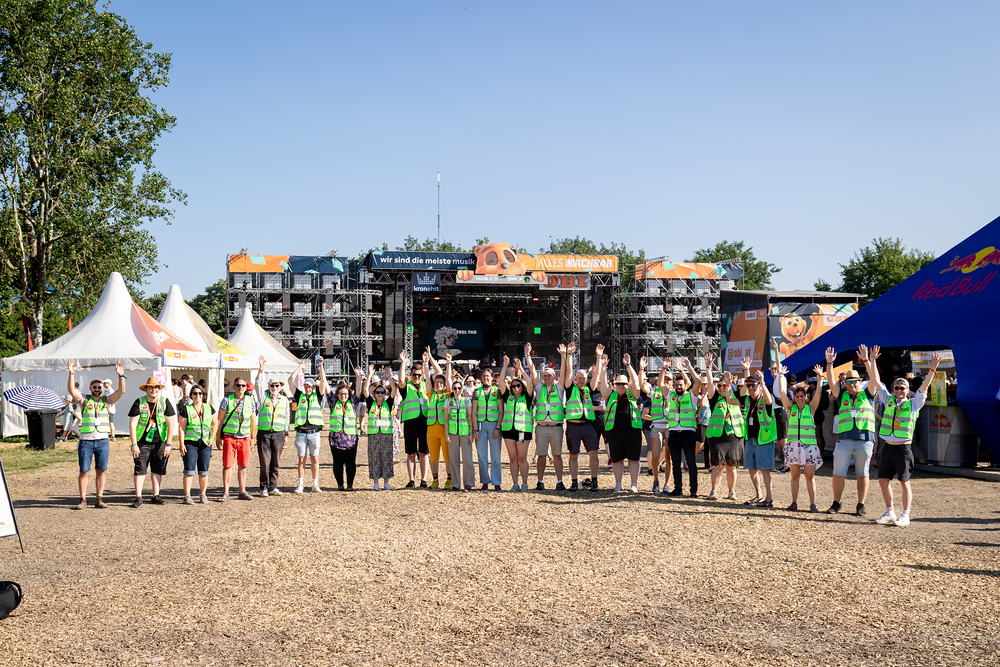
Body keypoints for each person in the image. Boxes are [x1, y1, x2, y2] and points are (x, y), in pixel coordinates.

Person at [864, 347, 939, 527]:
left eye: (902, 387)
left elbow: (924, 388)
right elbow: (876, 380)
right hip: (888, 447)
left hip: (903, 449)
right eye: (896, 387)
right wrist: (871, 361)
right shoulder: (888, 399)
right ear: (893, 389)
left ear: (907, 390)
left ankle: (905, 515)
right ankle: (890, 512)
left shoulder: (914, 403)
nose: (899, 390)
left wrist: (932, 370)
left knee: (904, 482)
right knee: (883, 481)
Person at [824, 346, 879, 517]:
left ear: (860, 382)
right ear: (845, 384)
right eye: (848, 382)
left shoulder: (868, 394)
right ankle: (836, 502)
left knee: (863, 474)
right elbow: (831, 381)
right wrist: (829, 364)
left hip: (865, 440)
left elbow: (875, 379)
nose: (852, 384)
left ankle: (861, 504)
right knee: (838, 473)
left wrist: (868, 360)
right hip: (844, 440)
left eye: (855, 381)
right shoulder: (841, 395)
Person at [771, 340, 825, 512]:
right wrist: (780, 374)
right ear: (795, 397)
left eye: (802, 396)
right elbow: (781, 392)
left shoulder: (811, 408)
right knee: (794, 476)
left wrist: (820, 378)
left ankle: (812, 504)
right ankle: (794, 502)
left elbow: (818, 392)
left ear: (805, 397)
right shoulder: (790, 408)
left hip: (809, 447)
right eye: (797, 396)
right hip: (794, 446)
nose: (800, 398)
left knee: (809, 477)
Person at [66, 360, 125, 509]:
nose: (97, 389)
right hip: (86, 441)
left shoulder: (107, 400)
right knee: (84, 471)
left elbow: (121, 392)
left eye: (99, 387)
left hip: (102, 441)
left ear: (102, 389)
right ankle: (82, 500)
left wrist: (120, 376)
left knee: (101, 471)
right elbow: (72, 390)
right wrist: (71, 373)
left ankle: (99, 499)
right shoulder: (84, 400)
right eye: (95, 387)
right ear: (90, 388)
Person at [597, 349, 643, 492]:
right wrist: (603, 367)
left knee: (634, 459)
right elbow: (602, 384)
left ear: (627, 385)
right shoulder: (610, 395)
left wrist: (628, 366)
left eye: (623, 384)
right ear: (615, 385)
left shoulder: (633, 394)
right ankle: (618, 483)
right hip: (614, 432)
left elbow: (636, 383)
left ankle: (634, 484)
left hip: (633, 432)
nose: (621, 386)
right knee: (617, 459)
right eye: (618, 384)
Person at [127, 376, 177, 508]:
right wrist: (134, 444)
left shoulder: (165, 402)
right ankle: (138, 497)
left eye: (155, 387)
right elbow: (132, 425)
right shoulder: (139, 402)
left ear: (159, 389)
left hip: (160, 442)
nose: (153, 390)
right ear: (146, 389)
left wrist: (168, 444)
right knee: (140, 469)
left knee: (158, 469)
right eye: (150, 387)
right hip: (142, 443)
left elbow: (171, 425)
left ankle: (156, 495)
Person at [526, 342, 567, 490]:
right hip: (541, 427)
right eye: (544, 375)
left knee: (557, 455)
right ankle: (540, 481)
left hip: (556, 427)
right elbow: (532, 371)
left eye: (549, 375)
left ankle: (559, 481)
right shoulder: (539, 387)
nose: (546, 377)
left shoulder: (559, 387)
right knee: (541, 455)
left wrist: (563, 356)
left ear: (554, 377)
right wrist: (527, 355)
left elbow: (564, 373)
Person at [562, 343, 602, 492]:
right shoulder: (570, 388)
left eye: (584, 378)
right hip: (573, 426)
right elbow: (568, 372)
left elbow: (597, 375)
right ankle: (574, 482)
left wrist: (598, 357)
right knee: (573, 455)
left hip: (587, 426)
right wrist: (569, 355)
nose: (581, 380)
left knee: (593, 453)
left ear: (586, 379)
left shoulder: (589, 389)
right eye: (579, 378)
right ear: (576, 379)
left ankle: (594, 481)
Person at [738, 354, 777, 507]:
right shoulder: (747, 399)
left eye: (754, 385)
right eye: (749, 386)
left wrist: (762, 382)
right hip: (751, 439)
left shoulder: (763, 397)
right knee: (751, 469)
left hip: (764, 439)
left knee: (765, 470)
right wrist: (746, 370)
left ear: (759, 386)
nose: (751, 388)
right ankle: (758, 495)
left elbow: (769, 400)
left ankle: (769, 498)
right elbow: (734, 397)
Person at [321, 366, 365, 491]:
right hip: (336, 440)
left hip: (351, 440)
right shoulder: (333, 402)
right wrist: (321, 367)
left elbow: (358, 390)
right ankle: (340, 484)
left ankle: (350, 484)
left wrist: (358, 375)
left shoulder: (353, 402)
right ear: (337, 394)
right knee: (337, 463)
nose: (343, 395)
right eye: (341, 393)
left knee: (351, 463)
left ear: (349, 394)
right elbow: (326, 386)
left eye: (345, 393)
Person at [666, 356, 705, 497]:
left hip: (688, 433)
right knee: (675, 463)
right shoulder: (672, 396)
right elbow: (660, 385)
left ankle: (693, 490)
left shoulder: (692, 396)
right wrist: (664, 368)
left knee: (691, 462)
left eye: (681, 385)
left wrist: (687, 368)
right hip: (673, 433)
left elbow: (698, 382)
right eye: (676, 385)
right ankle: (678, 488)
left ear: (685, 385)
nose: (678, 386)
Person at [704, 368, 744, 501]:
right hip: (718, 436)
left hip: (734, 436)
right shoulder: (714, 398)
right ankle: (714, 491)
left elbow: (745, 389)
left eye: (725, 385)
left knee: (732, 466)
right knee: (719, 465)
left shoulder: (735, 396)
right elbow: (710, 384)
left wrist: (746, 370)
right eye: (720, 385)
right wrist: (708, 368)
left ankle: (731, 492)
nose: (722, 387)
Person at [254, 355, 291, 497]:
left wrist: (286, 434)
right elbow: (258, 384)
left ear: (280, 387)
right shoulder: (263, 397)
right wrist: (261, 369)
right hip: (264, 432)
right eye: (272, 386)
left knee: (275, 462)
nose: (275, 388)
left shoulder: (284, 400)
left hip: (279, 433)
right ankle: (264, 486)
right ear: (269, 387)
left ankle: (273, 486)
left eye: (277, 385)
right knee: (264, 462)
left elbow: (286, 418)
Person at [216, 376, 256, 501]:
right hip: (230, 436)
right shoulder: (227, 400)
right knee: (228, 465)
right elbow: (220, 420)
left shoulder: (250, 400)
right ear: (233, 387)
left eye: (243, 385)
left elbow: (253, 421)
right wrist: (218, 437)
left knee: (243, 465)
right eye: (238, 385)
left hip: (244, 437)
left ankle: (242, 491)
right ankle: (226, 492)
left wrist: (253, 437)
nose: (240, 388)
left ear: (246, 387)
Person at [498, 354, 533, 491]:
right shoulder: (508, 397)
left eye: (518, 385)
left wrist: (521, 368)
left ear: (521, 386)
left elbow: (530, 383)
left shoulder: (527, 398)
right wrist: (505, 366)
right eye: (513, 386)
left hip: (523, 431)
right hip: (508, 431)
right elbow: (501, 382)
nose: (516, 387)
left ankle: (524, 483)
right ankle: (515, 484)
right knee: (512, 458)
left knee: (522, 458)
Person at [178, 382, 217, 504]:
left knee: (204, 471)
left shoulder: (209, 408)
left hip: (205, 444)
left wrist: (212, 438)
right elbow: (181, 428)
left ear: (203, 395)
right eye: (195, 393)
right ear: (191, 395)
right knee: (189, 470)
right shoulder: (186, 409)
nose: (197, 395)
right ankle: (187, 496)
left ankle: (203, 494)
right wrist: (181, 444)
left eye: (200, 393)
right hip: (191, 443)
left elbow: (215, 423)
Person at [397, 351, 430, 488]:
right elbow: (400, 381)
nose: (417, 377)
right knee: (411, 453)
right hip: (410, 423)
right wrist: (403, 363)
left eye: (419, 375)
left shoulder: (426, 386)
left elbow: (433, 376)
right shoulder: (407, 387)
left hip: (424, 422)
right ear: (410, 375)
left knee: (424, 453)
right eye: (414, 375)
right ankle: (411, 480)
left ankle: (424, 480)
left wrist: (426, 363)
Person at [290, 361, 324, 493]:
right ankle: (300, 484)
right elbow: (290, 380)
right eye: (305, 386)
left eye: (309, 386)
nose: (307, 389)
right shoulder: (300, 396)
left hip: (314, 432)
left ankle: (315, 484)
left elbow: (323, 382)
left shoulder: (318, 396)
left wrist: (321, 367)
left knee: (314, 458)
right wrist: (299, 368)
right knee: (301, 459)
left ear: (313, 387)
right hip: (301, 433)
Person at [423, 349, 454, 489]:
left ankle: (449, 480)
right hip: (431, 431)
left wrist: (448, 363)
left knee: (447, 457)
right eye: (437, 382)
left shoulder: (448, 394)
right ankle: (435, 480)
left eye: (441, 383)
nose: (439, 385)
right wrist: (426, 363)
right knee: (434, 457)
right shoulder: (431, 394)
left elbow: (448, 379)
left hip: (444, 430)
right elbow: (427, 377)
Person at [364, 365, 397, 490]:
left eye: (382, 392)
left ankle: (386, 482)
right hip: (373, 434)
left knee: (386, 457)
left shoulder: (388, 403)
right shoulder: (370, 403)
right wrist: (370, 375)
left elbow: (394, 390)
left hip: (386, 434)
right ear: (374, 394)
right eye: (377, 392)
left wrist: (389, 376)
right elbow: (365, 390)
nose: (380, 394)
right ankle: (376, 483)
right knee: (374, 458)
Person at [472, 367, 504, 490]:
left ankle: (496, 482)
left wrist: (498, 428)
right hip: (480, 426)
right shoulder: (477, 391)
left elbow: (501, 411)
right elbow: (473, 412)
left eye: (487, 376)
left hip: (494, 425)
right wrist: (475, 430)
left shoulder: (497, 391)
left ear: (492, 377)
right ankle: (484, 482)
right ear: (481, 378)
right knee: (482, 455)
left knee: (496, 456)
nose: (486, 378)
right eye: (484, 376)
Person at [445, 379, 475, 491]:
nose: (457, 390)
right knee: (453, 459)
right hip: (452, 433)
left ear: (462, 389)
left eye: (459, 388)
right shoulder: (448, 402)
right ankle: (456, 484)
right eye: (455, 388)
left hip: (465, 432)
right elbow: (446, 419)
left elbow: (470, 417)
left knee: (467, 458)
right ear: (452, 390)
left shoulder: (467, 401)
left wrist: (471, 434)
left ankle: (468, 483)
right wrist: (446, 434)